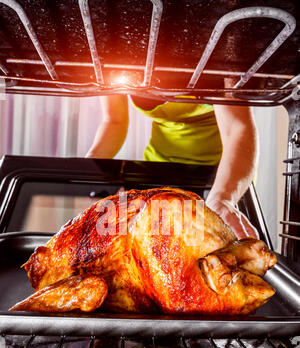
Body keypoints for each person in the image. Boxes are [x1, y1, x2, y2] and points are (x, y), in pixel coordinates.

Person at [85, 93, 259, 239]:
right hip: (156, 171)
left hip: (221, 177)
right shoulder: (115, 59)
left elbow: (238, 127)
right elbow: (114, 120)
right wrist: (89, 167)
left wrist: (223, 199)